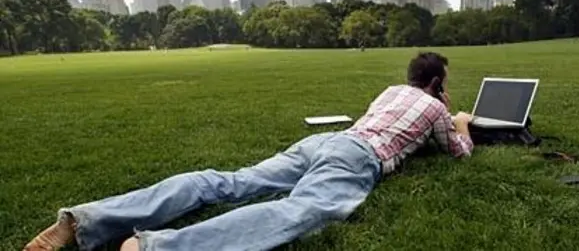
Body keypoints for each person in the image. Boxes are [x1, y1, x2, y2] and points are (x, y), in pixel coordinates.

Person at [24, 52, 474, 251]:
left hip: (322, 143)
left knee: (229, 181)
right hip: (357, 157)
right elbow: (457, 152)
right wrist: (459, 121)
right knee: (300, 210)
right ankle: (157, 248)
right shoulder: (435, 107)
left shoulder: (391, 90)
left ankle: (82, 220)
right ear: (437, 84)